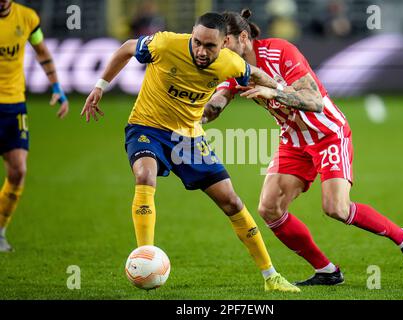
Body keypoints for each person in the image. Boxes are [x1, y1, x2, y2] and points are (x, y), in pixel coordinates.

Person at [202, 9, 403, 285]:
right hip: (293, 140)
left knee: (336, 208)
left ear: (243, 38)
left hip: (327, 133)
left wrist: (273, 91)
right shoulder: (234, 69)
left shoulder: (279, 52)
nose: (220, 51)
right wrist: (193, 116)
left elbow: (315, 101)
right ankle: (327, 271)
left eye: (225, 43)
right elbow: (217, 102)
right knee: (269, 208)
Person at [81, 12, 299, 292]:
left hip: (189, 138)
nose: (201, 50)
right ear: (192, 35)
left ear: (224, 44)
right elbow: (125, 48)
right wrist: (100, 86)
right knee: (145, 176)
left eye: (210, 46)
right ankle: (146, 258)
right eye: (197, 42)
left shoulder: (229, 62)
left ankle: (271, 276)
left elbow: (255, 73)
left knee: (231, 201)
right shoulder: (165, 45)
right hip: (147, 126)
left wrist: (282, 91)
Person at [0, 0, 69, 252]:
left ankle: (0, 232)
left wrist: (57, 88)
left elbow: (41, 52)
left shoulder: (27, 18)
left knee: (18, 171)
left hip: (14, 106)